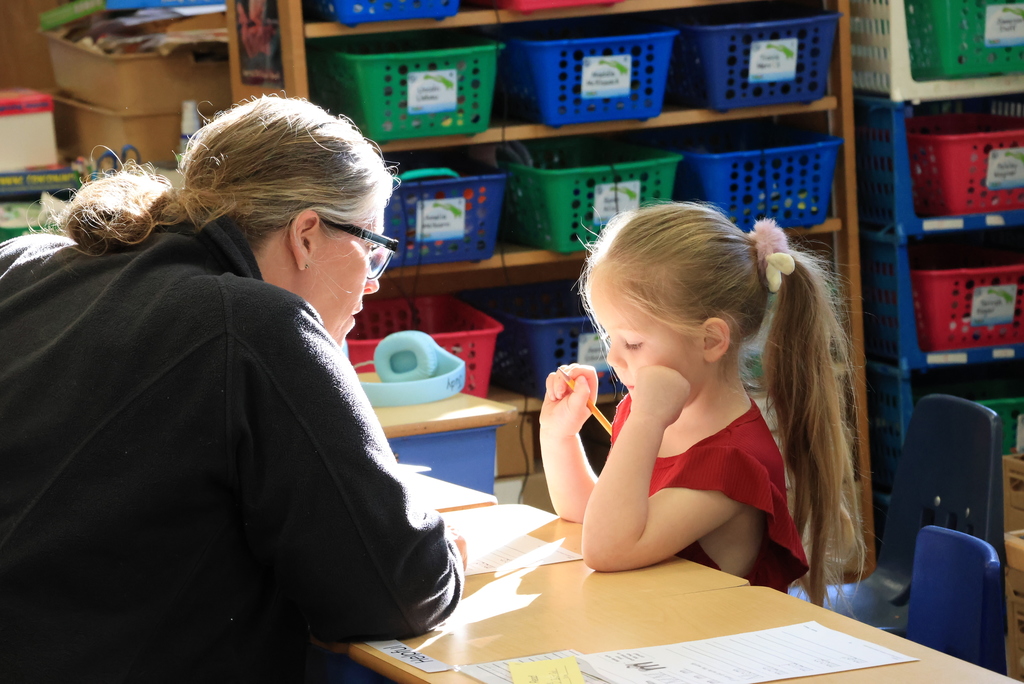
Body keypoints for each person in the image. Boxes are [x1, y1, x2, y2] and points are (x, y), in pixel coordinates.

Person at [0, 96, 465, 683]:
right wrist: (445, 552)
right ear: (306, 235)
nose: (372, 284)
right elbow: (397, 591)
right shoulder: (252, 322)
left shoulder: (23, 264)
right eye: (371, 251)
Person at [540, 202, 864, 606]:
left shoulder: (730, 462)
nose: (612, 359)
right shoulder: (650, 415)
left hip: (719, 659)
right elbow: (594, 514)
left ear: (711, 340)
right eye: (610, 338)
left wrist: (645, 422)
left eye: (633, 342)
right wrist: (560, 436)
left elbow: (607, 548)